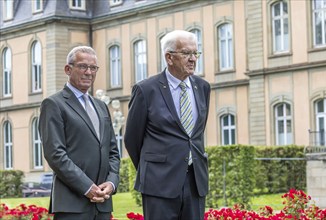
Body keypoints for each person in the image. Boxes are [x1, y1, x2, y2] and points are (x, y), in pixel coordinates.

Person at [124, 30, 211, 220]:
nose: (193, 59)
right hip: (159, 183)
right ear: (169, 58)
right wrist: (154, 167)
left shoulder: (203, 87)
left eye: (196, 53)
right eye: (186, 53)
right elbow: (132, 138)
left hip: (195, 181)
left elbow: (195, 134)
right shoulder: (146, 90)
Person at [38, 46, 120, 220]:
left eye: (93, 68)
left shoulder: (101, 106)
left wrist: (111, 183)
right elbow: (55, 154)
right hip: (72, 205)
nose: (89, 72)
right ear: (68, 69)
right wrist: (87, 187)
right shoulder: (53, 104)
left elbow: (112, 151)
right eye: (83, 66)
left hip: (102, 204)